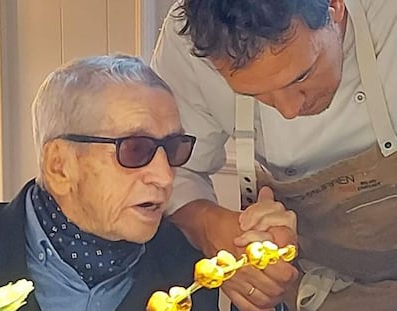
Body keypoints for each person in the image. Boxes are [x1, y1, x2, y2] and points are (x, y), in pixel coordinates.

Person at [151, 0, 397, 310]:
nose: (289, 110)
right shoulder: (186, 40)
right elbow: (174, 170)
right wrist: (214, 229)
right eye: (254, 94)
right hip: (304, 292)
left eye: (301, 77)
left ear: (335, 6)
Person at [0, 54, 219, 311]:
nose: (165, 176)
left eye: (175, 148)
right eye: (135, 149)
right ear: (60, 166)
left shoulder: (190, 269)